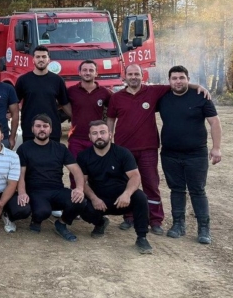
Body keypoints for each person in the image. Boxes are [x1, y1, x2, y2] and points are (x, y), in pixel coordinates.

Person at [107, 64, 208, 234]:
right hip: (123, 150)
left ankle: (155, 220)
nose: (133, 77)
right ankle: (129, 217)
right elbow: (110, 118)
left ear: (142, 76)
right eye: (130, 74)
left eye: (136, 74)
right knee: (126, 184)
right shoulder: (117, 97)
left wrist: (197, 86)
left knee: (151, 184)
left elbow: (176, 84)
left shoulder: (153, 92)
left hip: (148, 148)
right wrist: (109, 134)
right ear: (125, 77)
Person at [157, 66, 222, 244]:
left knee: (197, 190)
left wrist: (216, 148)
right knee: (176, 189)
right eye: (174, 78)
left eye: (182, 78)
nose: (178, 81)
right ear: (169, 81)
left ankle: (204, 228)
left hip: (196, 154)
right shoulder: (162, 97)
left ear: (188, 79)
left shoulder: (201, 96)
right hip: (169, 154)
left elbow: (214, 122)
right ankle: (178, 224)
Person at [77, 121, 153, 254]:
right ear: (89, 136)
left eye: (102, 132)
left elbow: (135, 176)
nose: (99, 136)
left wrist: (127, 194)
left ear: (110, 135)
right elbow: (81, 182)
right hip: (99, 202)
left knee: (140, 197)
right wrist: (94, 198)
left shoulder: (122, 153)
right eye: (94, 133)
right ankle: (100, 223)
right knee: (79, 202)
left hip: (121, 200)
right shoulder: (84, 156)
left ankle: (142, 237)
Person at [16, 114, 86, 241]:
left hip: (57, 190)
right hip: (36, 191)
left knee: (80, 201)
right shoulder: (24, 148)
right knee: (42, 212)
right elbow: (21, 174)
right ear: (32, 129)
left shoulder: (60, 148)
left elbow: (76, 171)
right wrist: (22, 192)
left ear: (51, 129)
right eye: (38, 126)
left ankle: (62, 223)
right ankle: (36, 220)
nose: (42, 129)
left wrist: (79, 188)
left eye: (45, 126)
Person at [15, 46, 71, 143]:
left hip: (52, 129)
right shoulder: (23, 80)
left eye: (44, 57)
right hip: (30, 129)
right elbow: (14, 104)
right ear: (33, 60)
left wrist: (78, 118)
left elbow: (65, 104)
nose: (41, 59)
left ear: (49, 60)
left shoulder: (57, 80)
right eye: (38, 57)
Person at [66, 60, 111, 158]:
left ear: (96, 73)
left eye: (91, 70)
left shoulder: (104, 92)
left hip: (97, 138)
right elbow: (62, 105)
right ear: (79, 73)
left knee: (97, 170)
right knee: (76, 170)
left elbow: (112, 111)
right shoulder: (71, 91)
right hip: (76, 138)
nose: (87, 73)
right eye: (84, 70)